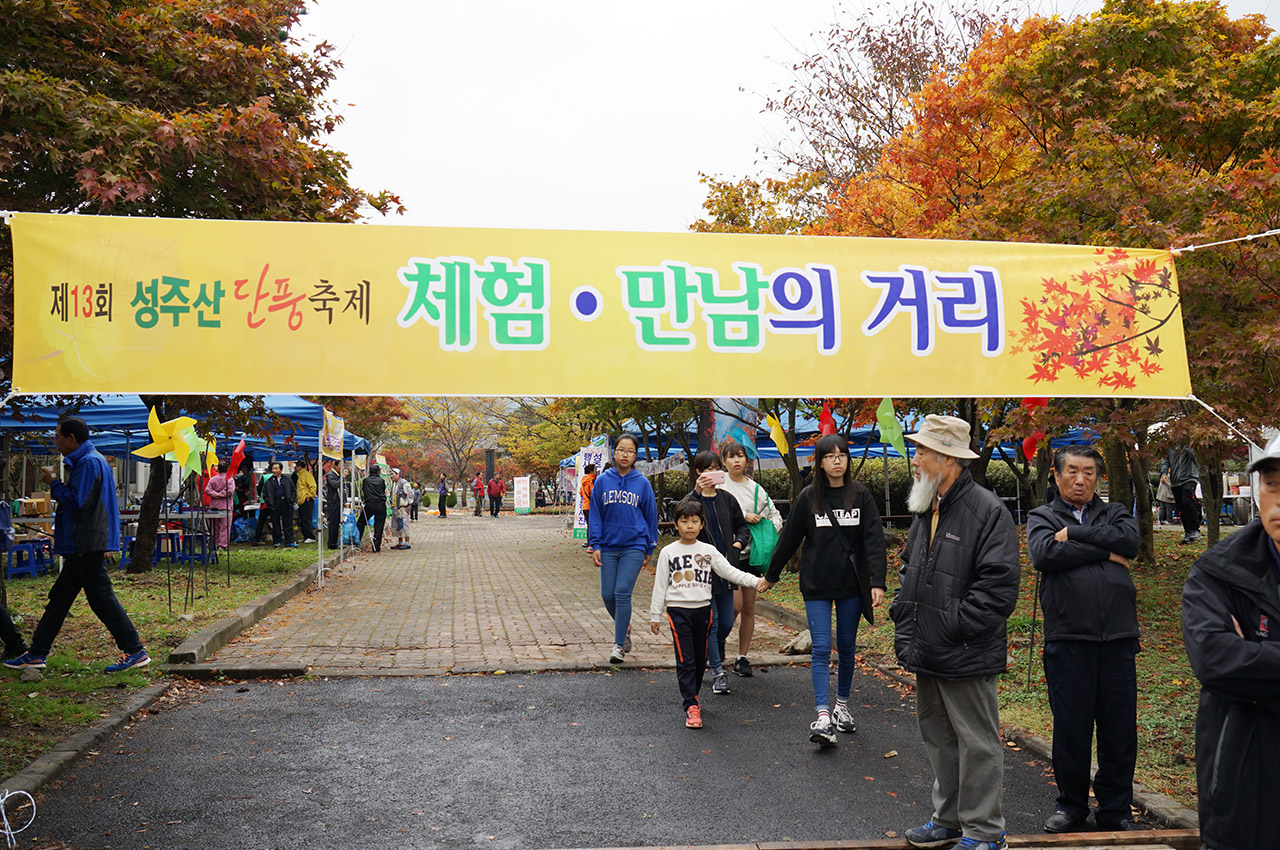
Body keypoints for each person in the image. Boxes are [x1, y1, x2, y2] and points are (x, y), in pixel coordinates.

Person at [893, 415, 1020, 850]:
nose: (915, 459)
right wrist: (904, 611)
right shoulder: (929, 504)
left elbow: (999, 585)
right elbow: (911, 565)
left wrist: (954, 624)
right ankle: (947, 820)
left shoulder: (986, 509)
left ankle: (985, 832)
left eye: (922, 451)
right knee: (939, 736)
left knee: (977, 742)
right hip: (927, 644)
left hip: (964, 649)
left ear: (947, 458)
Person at [1027, 445, 1141, 833]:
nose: (1081, 479)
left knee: (1120, 730)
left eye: (1089, 472)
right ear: (1056, 476)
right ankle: (1071, 806)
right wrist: (1107, 554)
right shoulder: (1042, 516)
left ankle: (1115, 809)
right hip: (1068, 639)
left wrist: (1075, 533)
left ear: (1098, 477)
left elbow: (1131, 542)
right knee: (1072, 730)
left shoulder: (1117, 512)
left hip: (1118, 640)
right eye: (1072, 471)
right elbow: (1044, 554)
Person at [1181, 434, 1280, 850]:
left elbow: (1240, 662)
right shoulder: (1218, 570)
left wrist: (1257, 662)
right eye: (1273, 485)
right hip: (1245, 770)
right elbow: (1215, 660)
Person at [761, 433, 887, 746]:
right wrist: (771, 575)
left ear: (848, 459)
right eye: (829, 456)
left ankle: (841, 707)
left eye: (841, 455)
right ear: (819, 461)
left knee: (846, 646)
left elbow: (874, 540)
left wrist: (877, 581)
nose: (836, 461)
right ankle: (822, 716)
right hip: (816, 584)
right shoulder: (808, 498)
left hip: (851, 586)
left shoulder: (861, 496)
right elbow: (789, 538)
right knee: (820, 647)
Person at [4, 417, 149, 673]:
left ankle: (135, 650)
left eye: (59, 437)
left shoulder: (88, 462)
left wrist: (54, 484)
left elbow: (77, 501)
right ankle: (37, 652)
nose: (56, 443)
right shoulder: (93, 460)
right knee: (60, 598)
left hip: (86, 542)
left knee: (101, 598)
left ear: (72, 438)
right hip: (83, 542)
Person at [650, 498, 766, 729]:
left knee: (700, 658)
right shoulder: (668, 553)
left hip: (704, 610)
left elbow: (730, 572)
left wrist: (756, 581)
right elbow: (660, 585)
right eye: (685, 521)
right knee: (685, 659)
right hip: (678, 612)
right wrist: (656, 615)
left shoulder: (708, 551)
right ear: (676, 524)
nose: (690, 526)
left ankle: (693, 695)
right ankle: (691, 704)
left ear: (702, 524)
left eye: (695, 521)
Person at [589, 433, 658, 664]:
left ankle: (618, 645)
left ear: (635, 455)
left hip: (634, 546)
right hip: (608, 545)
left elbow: (651, 516)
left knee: (622, 592)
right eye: (621, 450)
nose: (625, 454)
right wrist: (595, 543)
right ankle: (624, 625)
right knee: (607, 594)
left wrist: (650, 546)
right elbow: (595, 515)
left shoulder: (642, 483)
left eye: (630, 451)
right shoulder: (602, 481)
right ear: (614, 452)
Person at [717, 440, 783, 678]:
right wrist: (744, 516)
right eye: (731, 456)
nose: (737, 460)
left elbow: (776, 517)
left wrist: (766, 526)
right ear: (723, 461)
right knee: (733, 606)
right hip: (727, 554)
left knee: (748, 608)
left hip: (751, 555)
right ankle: (720, 638)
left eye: (741, 456)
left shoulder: (757, 489)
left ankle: (742, 657)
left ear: (747, 461)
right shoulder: (719, 484)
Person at [685, 450, 749, 696]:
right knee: (710, 624)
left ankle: (707, 651)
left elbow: (741, 526)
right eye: (707, 469)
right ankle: (718, 673)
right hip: (701, 570)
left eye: (716, 468)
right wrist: (696, 494)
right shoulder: (692, 501)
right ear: (698, 472)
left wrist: (738, 544)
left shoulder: (727, 498)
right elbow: (682, 519)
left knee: (725, 620)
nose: (712, 473)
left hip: (726, 569)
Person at [1160, 444, 1202, 544]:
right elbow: (1165, 461)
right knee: (1180, 507)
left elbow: (1195, 457)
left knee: (1187, 500)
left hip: (1189, 477)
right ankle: (1188, 532)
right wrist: (1164, 473)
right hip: (1175, 481)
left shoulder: (1190, 442)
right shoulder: (1170, 444)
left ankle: (1195, 529)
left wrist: (1187, 445)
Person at [262, 462, 297, 548]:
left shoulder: (287, 479)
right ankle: (277, 541)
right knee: (275, 523)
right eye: (273, 469)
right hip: (275, 503)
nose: (274, 470)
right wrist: (270, 503)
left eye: (276, 469)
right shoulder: (269, 481)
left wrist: (291, 500)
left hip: (286, 502)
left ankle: (289, 541)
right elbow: (265, 493)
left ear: (281, 470)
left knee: (288, 523)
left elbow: (293, 490)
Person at [204, 461, 235, 549]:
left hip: (214, 506)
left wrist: (215, 494)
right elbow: (230, 491)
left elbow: (207, 490)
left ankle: (215, 543)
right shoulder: (230, 479)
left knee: (214, 527)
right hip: (226, 506)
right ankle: (223, 545)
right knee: (225, 527)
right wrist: (221, 494)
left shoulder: (213, 479)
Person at [358, 464, 388, 552]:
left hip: (369, 504)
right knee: (379, 525)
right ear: (378, 472)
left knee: (361, 522)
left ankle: (358, 540)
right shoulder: (381, 481)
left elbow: (364, 491)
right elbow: (382, 491)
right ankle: (376, 547)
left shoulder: (365, 480)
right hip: (380, 505)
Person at [387, 468, 413, 550]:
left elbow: (410, 494)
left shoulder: (404, 483)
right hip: (395, 507)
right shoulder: (394, 484)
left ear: (398, 474)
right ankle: (400, 542)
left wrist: (408, 505)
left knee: (404, 525)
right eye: (390, 474)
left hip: (402, 507)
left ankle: (407, 542)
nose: (391, 476)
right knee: (397, 525)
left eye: (393, 474)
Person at [295, 460, 317, 544]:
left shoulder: (306, 475)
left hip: (306, 500)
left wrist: (309, 495)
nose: (295, 468)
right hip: (301, 500)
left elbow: (313, 486)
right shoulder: (300, 475)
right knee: (302, 519)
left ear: (300, 467)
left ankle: (310, 536)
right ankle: (305, 536)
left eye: (296, 466)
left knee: (306, 518)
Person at [323, 458, 342, 551]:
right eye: (340, 466)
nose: (342, 468)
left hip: (338, 502)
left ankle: (335, 542)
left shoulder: (338, 475)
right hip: (333, 503)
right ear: (335, 466)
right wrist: (342, 478)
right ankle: (331, 543)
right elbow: (335, 485)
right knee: (333, 523)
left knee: (337, 523)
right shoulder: (330, 475)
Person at [579, 463, 598, 547]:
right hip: (592, 506)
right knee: (592, 525)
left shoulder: (584, 481)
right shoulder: (592, 480)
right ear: (591, 471)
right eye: (595, 469)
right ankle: (591, 543)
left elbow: (581, 493)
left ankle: (588, 541)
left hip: (585, 506)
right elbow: (594, 493)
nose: (596, 471)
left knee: (589, 525)